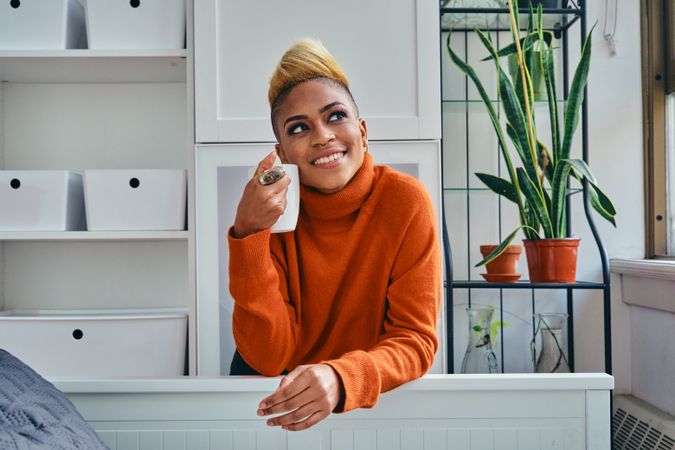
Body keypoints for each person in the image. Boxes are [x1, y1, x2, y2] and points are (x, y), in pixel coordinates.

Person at [228, 38, 441, 431]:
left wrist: (340, 377)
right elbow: (267, 356)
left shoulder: (405, 202)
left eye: (335, 116)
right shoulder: (274, 213)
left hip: (364, 398)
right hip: (279, 403)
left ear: (362, 131)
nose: (322, 135)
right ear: (284, 153)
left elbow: (415, 341)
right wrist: (249, 234)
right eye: (299, 127)